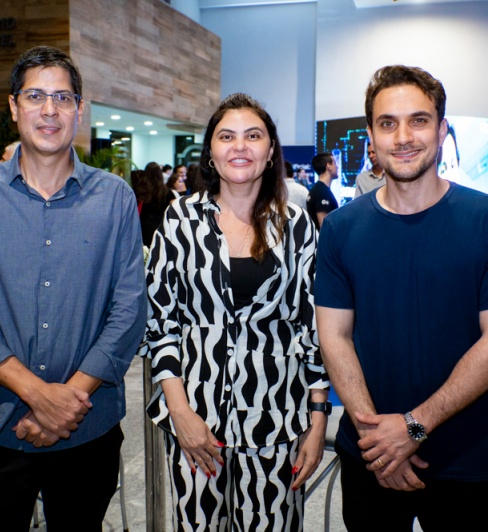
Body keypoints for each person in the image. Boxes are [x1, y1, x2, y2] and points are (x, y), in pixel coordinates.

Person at [314, 65, 488, 532]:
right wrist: (380, 440)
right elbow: (334, 337)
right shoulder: (340, 228)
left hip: (465, 457)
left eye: (418, 120)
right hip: (371, 457)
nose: (403, 136)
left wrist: (412, 429)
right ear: (371, 136)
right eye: (387, 123)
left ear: (441, 129)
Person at [0, 46, 147, 530]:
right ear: (14, 107)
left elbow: (130, 309)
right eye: (36, 96)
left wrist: (66, 401)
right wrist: (38, 395)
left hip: (88, 425)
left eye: (63, 97)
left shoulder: (114, 197)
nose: (49, 110)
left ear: (78, 110)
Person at [142, 93, 329, 531]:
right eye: (226, 136)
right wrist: (180, 413)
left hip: (278, 419)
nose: (239, 146)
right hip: (196, 420)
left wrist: (318, 419)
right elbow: (160, 323)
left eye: (253, 136)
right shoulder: (180, 219)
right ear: (210, 151)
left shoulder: (296, 224)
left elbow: (312, 326)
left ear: (270, 152)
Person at [137, 161, 176, 246]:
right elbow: (174, 209)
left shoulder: (140, 191)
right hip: (162, 225)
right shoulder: (167, 192)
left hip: (143, 226)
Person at [306, 152, 338, 230]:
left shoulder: (318, 189)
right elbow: (323, 225)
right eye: (334, 163)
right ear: (328, 166)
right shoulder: (322, 191)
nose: (337, 167)